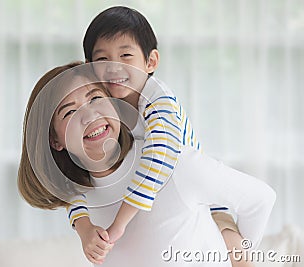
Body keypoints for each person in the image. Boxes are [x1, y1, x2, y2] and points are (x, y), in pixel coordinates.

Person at [17, 62, 276, 266]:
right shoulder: (80, 199)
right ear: (54, 140)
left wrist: (238, 257)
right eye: (70, 112)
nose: (90, 115)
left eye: (95, 98)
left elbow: (261, 198)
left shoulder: (173, 163)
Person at [67, 6, 246, 265]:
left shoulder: (159, 101)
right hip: (156, 215)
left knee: (234, 246)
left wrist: (119, 224)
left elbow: (158, 160)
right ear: (89, 67)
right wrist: (84, 228)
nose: (114, 67)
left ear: (150, 62)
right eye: (102, 60)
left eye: (125, 55)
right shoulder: (100, 109)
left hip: (205, 201)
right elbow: (71, 177)